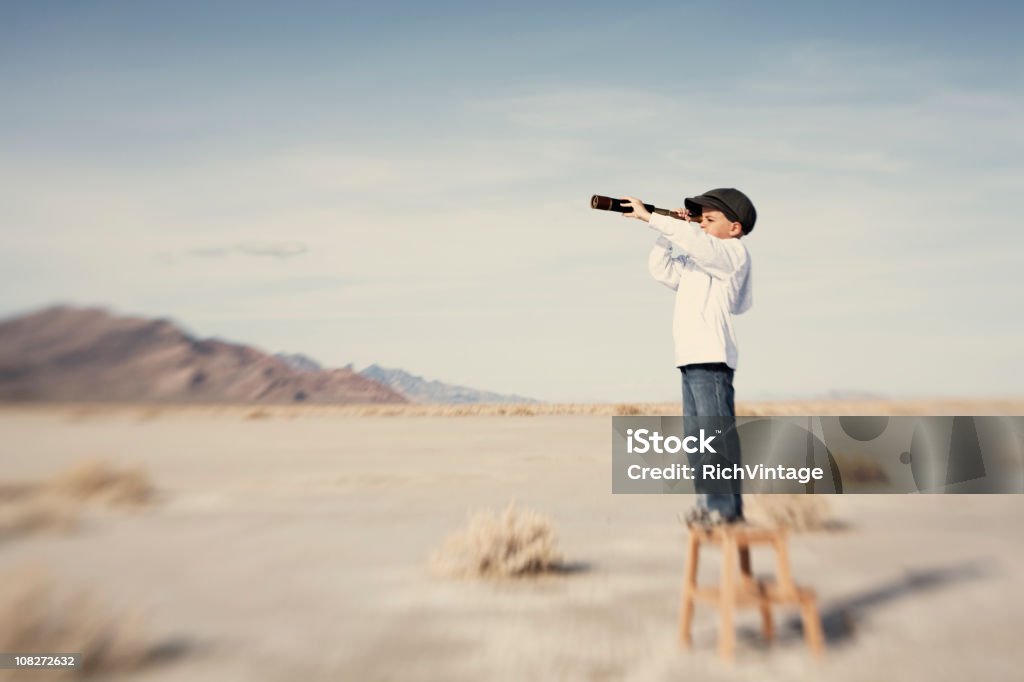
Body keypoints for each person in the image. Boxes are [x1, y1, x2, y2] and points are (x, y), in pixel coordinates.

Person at [621, 188, 757, 523]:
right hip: (689, 358)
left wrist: (653, 218)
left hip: (712, 358)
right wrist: (666, 229)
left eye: (710, 220)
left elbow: (701, 245)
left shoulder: (732, 254)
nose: (702, 226)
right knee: (696, 441)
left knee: (714, 436)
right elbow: (661, 269)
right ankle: (709, 504)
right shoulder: (699, 263)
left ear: (735, 228)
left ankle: (726, 510)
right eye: (702, 220)